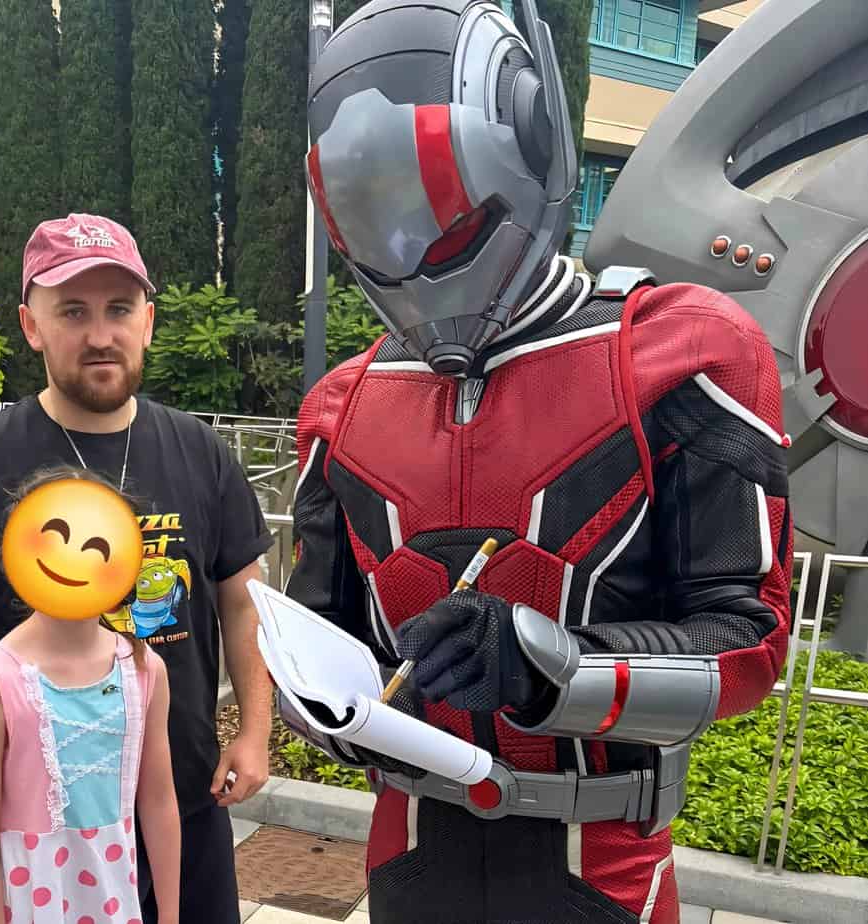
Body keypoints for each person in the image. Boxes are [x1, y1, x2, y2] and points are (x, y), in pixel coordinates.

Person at [281, 2, 792, 923]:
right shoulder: (343, 405)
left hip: (596, 859)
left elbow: (746, 642)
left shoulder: (676, 352)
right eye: (375, 215)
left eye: (430, 208)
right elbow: (323, 642)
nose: (406, 250)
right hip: (412, 854)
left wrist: (548, 664)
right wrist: (313, 698)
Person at [0, 212, 274, 924]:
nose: (100, 333)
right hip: (43, 836)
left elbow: (245, 605)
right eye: (72, 310)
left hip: (182, 809)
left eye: (119, 309)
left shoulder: (199, 453)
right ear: (31, 324)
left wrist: (253, 729)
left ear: (148, 321)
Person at [0, 466, 180, 924]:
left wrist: (171, 916)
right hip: (27, 901)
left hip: (118, 897)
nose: (76, 559)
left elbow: (158, 802)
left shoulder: (144, 670)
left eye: (99, 545)